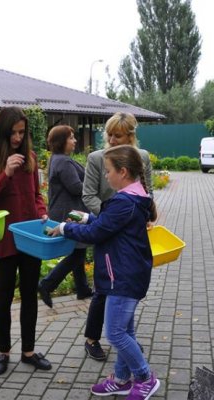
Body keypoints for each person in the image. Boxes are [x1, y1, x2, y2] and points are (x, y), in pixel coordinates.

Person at [49, 144, 160, 400]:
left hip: (122, 276)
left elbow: (96, 234)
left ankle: (145, 378)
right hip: (124, 274)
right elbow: (105, 224)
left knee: (115, 333)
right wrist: (87, 217)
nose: (105, 176)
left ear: (123, 172)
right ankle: (122, 379)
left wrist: (65, 228)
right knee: (125, 330)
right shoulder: (131, 198)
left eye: (108, 171)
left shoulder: (124, 201)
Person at [0, 106, 52, 375]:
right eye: (13, 133)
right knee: (3, 297)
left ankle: (28, 352)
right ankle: (3, 352)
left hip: (30, 238)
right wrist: (5, 173)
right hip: (3, 239)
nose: (18, 138)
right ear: (1, 132)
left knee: (29, 295)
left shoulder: (29, 157)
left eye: (22, 132)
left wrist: (42, 213)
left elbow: (36, 195)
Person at [81, 112, 153, 361]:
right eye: (109, 134)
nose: (111, 139)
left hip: (128, 230)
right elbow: (88, 195)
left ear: (130, 136)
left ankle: (124, 339)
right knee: (104, 287)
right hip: (104, 226)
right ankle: (92, 338)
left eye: (118, 135)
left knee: (125, 287)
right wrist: (111, 217)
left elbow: (148, 192)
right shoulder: (96, 158)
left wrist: (142, 216)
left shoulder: (141, 157)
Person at [38, 125, 93, 307]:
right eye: (71, 138)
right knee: (77, 253)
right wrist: (95, 186)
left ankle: (82, 288)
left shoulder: (57, 159)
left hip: (66, 211)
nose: (75, 140)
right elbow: (76, 187)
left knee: (79, 249)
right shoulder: (64, 162)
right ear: (62, 142)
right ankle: (47, 284)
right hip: (70, 213)